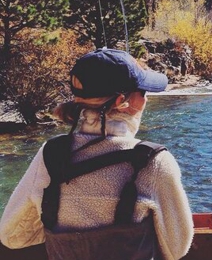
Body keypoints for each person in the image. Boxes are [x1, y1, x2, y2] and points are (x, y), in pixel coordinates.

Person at [0, 48, 194, 260]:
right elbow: (176, 249)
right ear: (122, 102)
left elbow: (13, 237)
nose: (146, 100)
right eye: (144, 93)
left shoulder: (50, 155)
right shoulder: (154, 162)